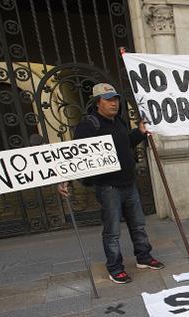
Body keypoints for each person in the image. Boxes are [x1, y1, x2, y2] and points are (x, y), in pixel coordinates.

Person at [57, 83, 164, 284]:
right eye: (108, 100)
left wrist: (139, 132)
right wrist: (66, 179)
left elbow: (126, 143)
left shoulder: (119, 122)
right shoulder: (89, 125)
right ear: (97, 103)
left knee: (138, 225)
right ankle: (115, 268)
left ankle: (144, 257)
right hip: (108, 187)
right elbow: (77, 155)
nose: (114, 103)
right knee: (112, 230)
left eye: (115, 99)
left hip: (128, 183)